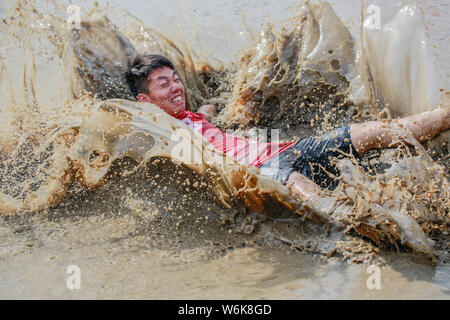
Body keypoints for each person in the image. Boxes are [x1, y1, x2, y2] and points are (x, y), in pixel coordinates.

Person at [126, 54, 450, 201]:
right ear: (145, 100)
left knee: (368, 132)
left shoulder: (192, 118)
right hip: (261, 171)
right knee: (320, 200)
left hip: (287, 149)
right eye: (163, 84)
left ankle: (444, 116)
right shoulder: (160, 131)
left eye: (176, 80)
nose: (176, 87)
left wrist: (211, 101)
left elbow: (206, 114)